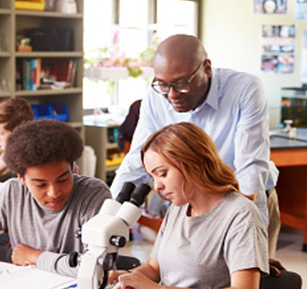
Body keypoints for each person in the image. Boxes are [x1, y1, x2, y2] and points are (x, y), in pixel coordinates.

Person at [109, 34, 281, 258]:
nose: (171, 95)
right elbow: (135, 163)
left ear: (207, 68)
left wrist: (253, 234)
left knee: (251, 286)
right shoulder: (155, 97)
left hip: (244, 199)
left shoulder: (245, 89)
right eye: (163, 84)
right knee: (190, 281)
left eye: (181, 84)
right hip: (190, 203)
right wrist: (108, 218)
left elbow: (250, 168)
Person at [111, 123, 269, 289]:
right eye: (152, 177)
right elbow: (154, 268)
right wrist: (127, 277)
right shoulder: (178, 208)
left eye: (162, 174)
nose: (157, 186)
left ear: (193, 162)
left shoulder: (240, 214)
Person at [0, 120, 111, 286]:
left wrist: (35, 257)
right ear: (21, 178)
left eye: (63, 179)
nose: (54, 192)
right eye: (40, 184)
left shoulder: (93, 194)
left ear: (72, 168)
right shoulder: (12, 192)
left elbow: (97, 267)